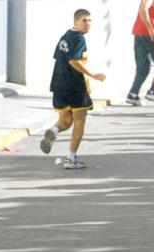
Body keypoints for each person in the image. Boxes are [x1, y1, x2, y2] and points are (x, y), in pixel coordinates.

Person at [39, 9, 106, 169]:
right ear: (75, 21)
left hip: (58, 85)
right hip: (75, 87)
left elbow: (58, 57)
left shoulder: (65, 36)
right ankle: (71, 159)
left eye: (90, 20)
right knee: (79, 123)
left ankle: (53, 132)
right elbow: (73, 61)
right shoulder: (79, 38)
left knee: (65, 121)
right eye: (84, 20)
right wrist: (93, 74)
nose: (88, 24)